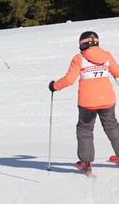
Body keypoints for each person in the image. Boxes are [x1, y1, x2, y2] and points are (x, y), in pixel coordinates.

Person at [48, 31, 119, 173]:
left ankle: (86, 163)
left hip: (88, 102)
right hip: (107, 99)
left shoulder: (79, 58)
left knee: (85, 129)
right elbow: (117, 72)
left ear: (82, 44)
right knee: (112, 127)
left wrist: (54, 86)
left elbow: (69, 80)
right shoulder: (106, 56)